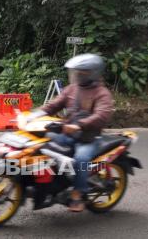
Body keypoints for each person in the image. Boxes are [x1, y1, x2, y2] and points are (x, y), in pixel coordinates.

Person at [27, 53, 113, 212]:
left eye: (81, 72)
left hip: (89, 139)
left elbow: (101, 115)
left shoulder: (102, 93)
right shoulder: (72, 89)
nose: (76, 75)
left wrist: (79, 125)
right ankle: (48, 182)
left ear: (92, 73)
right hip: (68, 135)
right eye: (75, 72)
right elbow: (55, 104)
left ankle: (78, 195)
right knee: (41, 143)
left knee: (81, 159)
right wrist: (36, 114)